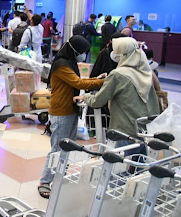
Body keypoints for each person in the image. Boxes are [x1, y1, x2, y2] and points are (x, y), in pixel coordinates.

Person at [38, 36, 105, 199]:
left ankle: (59, 177)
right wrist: (100, 82)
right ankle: (45, 181)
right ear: (74, 51)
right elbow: (78, 83)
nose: (83, 55)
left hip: (70, 111)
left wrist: (97, 79)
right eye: (81, 52)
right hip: (61, 112)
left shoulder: (69, 62)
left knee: (67, 148)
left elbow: (78, 81)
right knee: (57, 149)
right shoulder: (61, 64)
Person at [77, 37, 160, 155]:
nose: (113, 54)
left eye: (116, 51)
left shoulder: (117, 75)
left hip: (124, 127)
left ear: (123, 54)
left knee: (122, 167)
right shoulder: (145, 71)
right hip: (143, 126)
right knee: (139, 164)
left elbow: (98, 101)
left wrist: (85, 97)